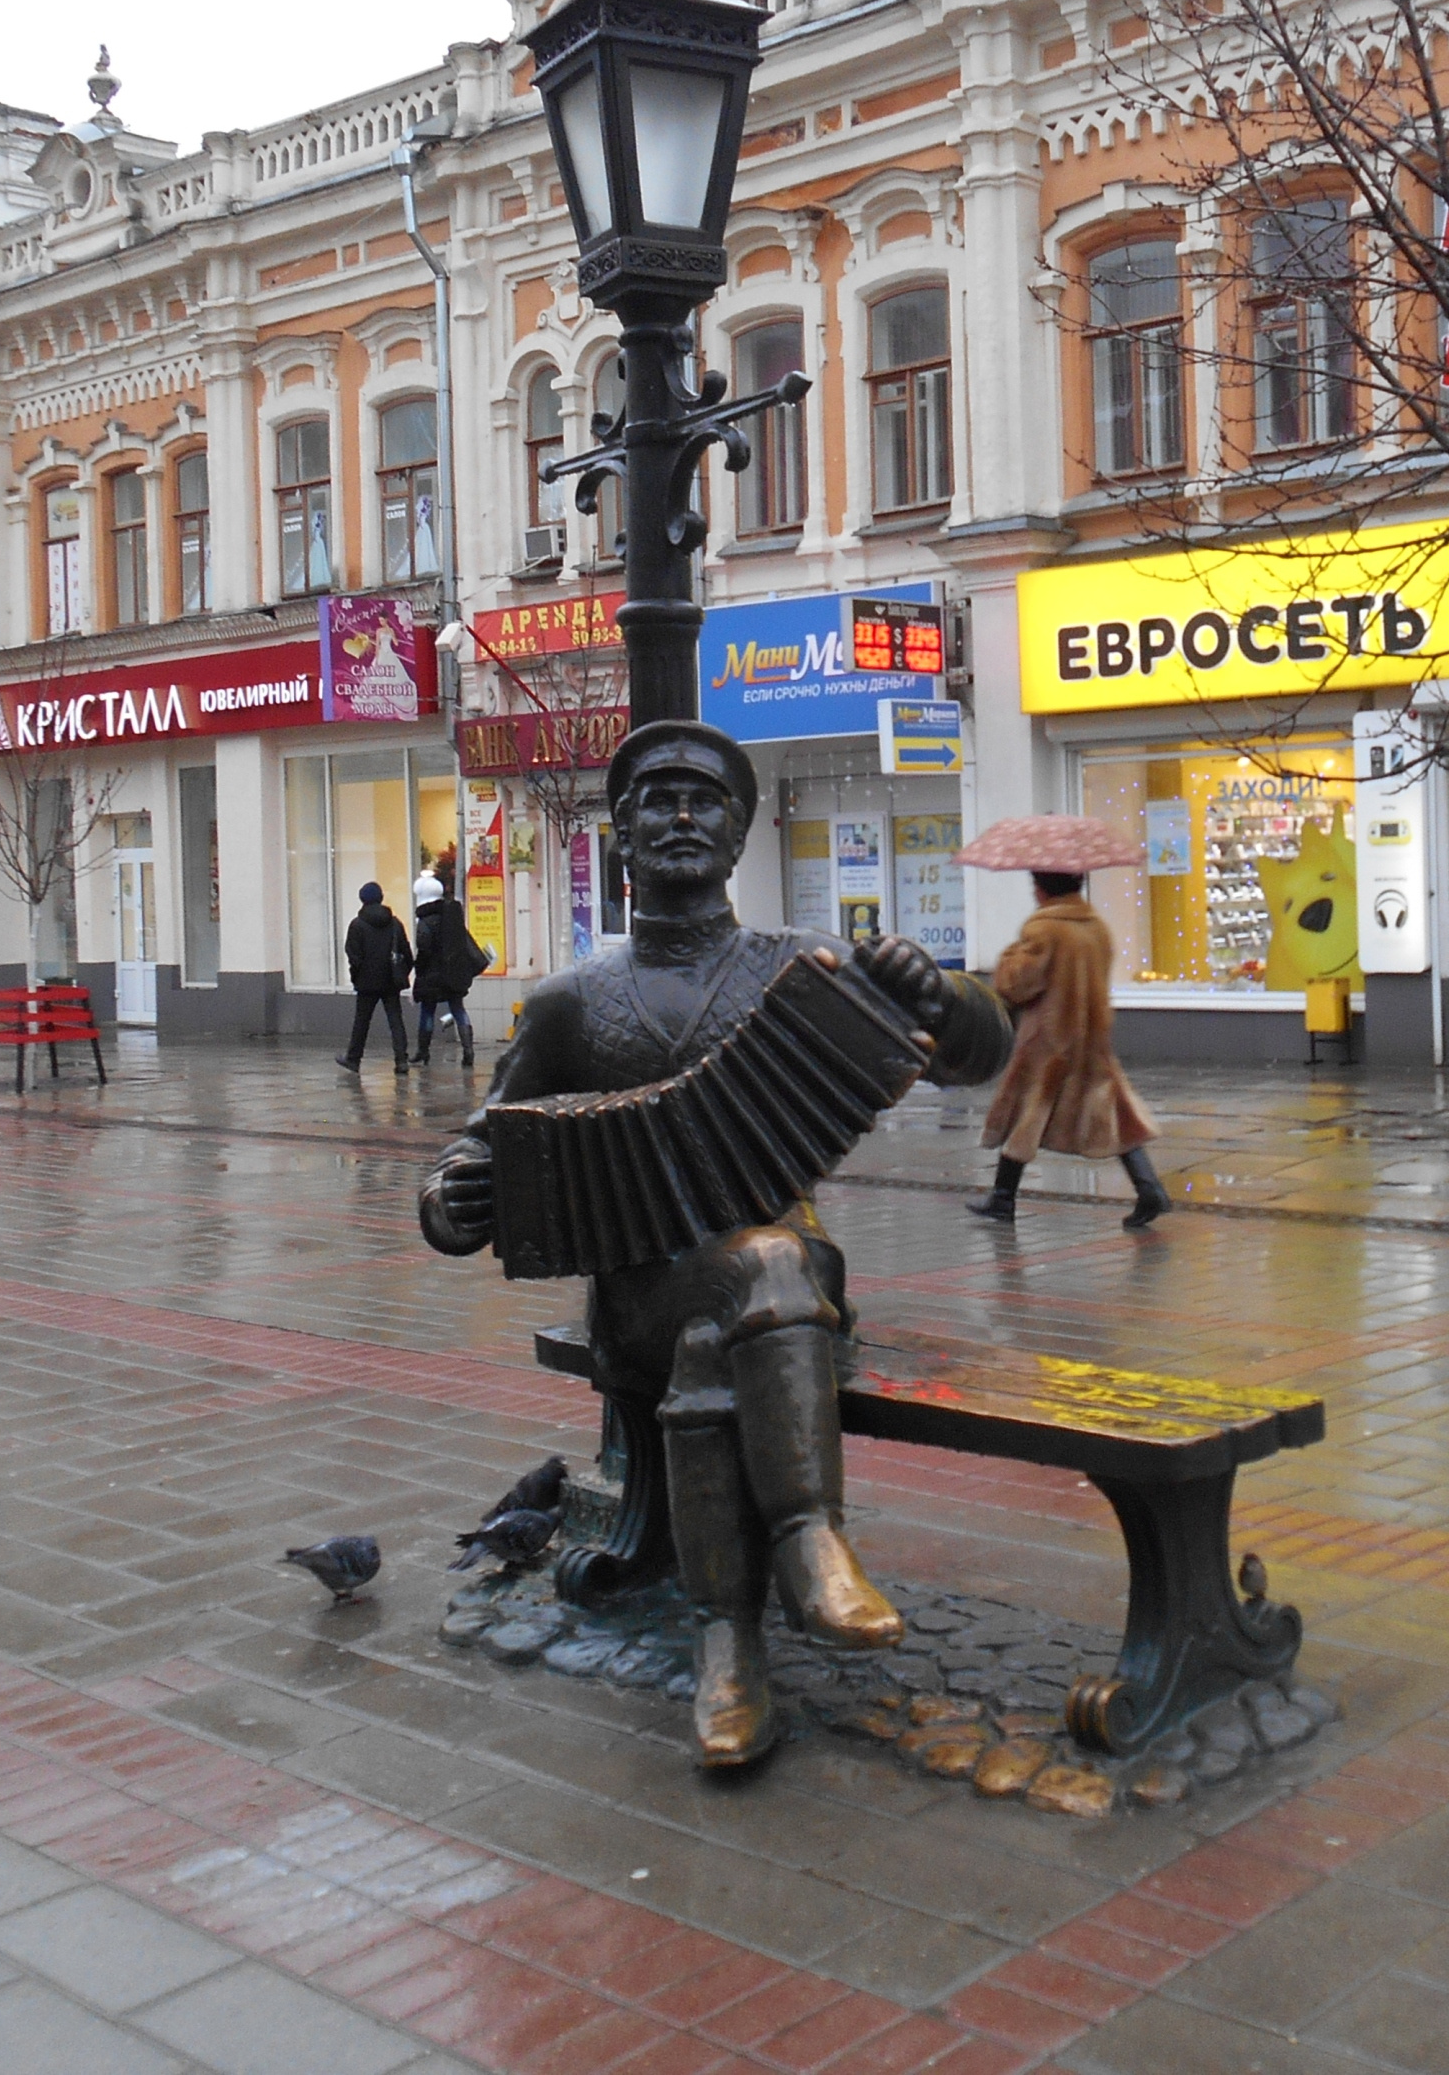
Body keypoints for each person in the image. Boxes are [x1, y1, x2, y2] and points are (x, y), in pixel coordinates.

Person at [418, 722, 1011, 1766]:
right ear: (625, 834)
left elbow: (975, 1057)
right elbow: (484, 1142)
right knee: (731, 1301)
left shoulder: (798, 967)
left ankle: (730, 1644)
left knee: (760, 1277)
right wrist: (450, 1196)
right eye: (658, 800)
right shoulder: (570, 1003)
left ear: (738, 834)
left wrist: (944, 996)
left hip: (793, 1290)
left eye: (705, 802)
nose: (682, 817)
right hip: (645, 1295)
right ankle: (806, 1549)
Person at [969, 871, 1169, 1230]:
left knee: (1027, 1116)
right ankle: (1149, 1188)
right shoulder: (1097, 928)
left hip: (1049, 1043)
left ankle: (1002, 1199)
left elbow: (1017, 984)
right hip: (1091, 1040)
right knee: (1115, 1118)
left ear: (1042, 888)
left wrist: (1010, 956)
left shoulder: (1044, 931)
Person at [408, 868, 489, 1069]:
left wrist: (418, 971)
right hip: (453, 971)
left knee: (427, 1011)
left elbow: (424, 950)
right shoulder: (452, 914)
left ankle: (423, 1051)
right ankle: (468, 1050)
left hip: (432, 975)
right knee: (458, 1009)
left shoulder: (425, 921)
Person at [340, 880, 414, 1073]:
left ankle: (354, 1059)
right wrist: (401, 973)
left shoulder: (357, 925)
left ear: (362, 899)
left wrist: (357, 976)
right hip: (391, 980)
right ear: (381, 898)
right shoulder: (394, 923)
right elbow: (407, 953)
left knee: (362, 1022)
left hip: (367, 982)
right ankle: (401, 1060)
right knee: (396, 1020)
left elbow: (353, 955)